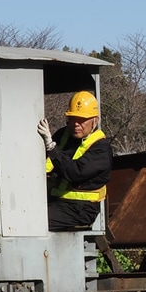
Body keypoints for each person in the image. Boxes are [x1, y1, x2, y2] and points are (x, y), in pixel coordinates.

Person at [37, 90, 112, 231]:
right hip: (55, 201)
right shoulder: (62, 135)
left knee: (36, 221)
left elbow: (74, 172)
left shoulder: (101, 149)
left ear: (94, 121)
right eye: (72, 119)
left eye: (82, 120)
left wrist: (51, 147)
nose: (76, 124)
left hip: (81, 209)